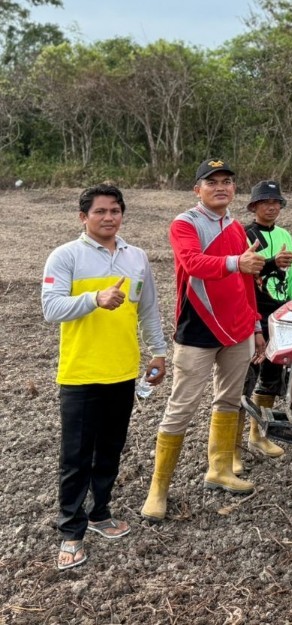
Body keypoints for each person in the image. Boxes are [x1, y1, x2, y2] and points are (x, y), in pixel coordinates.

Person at [42, 184, 168, 570]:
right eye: (100, 212)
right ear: (83, 217)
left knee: (111, 449)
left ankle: (100, 514)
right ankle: (70, 531)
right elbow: (51, 307)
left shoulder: (136, 258)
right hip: (80, 373)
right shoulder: (65, 257)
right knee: (76, 456)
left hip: (123, 371)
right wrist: (94, 299)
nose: (108, 217)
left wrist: (159, 351)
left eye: (115, 210)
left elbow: (147, 308)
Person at [140, 158, 265, 522]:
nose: (221, 187)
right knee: (182, 406)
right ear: (198, 190)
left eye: (227, 181)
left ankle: (220, 469)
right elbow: (192, 263)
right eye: (212, 182)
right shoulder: (185, 223)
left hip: (239, 329)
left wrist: (256, 325)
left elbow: (246, 282)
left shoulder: (237, 228)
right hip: (197, 330)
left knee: (229, 399)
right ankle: (158, 489)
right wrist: (235, 263)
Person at [234, 180, 292, 472]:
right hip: (254, 313)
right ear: (253, 207)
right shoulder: (245, 234)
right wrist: (273, 262)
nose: (272, 207)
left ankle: (257, 435)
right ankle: (232, 448)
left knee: (272, 376)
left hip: (281, 313)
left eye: (276, 202)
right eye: (265, 202)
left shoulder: (285, 233)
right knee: (244, 379)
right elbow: (242, 275)